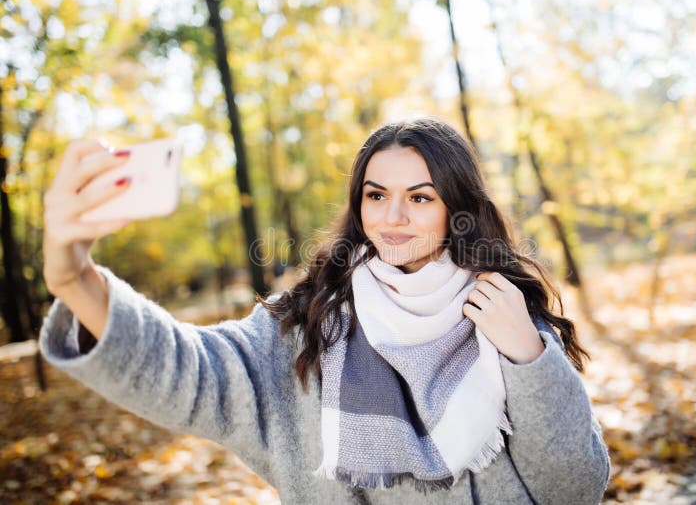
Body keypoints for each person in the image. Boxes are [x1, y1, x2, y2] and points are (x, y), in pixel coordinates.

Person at [40, 117, 611, 504]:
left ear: (456, 207)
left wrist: (529, 357)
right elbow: (192, 371)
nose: (392, 218)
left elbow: (575, 488)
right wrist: (75, 280)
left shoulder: (501, 314)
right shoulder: (308, 326)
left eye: (420, 197)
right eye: (375, 194)